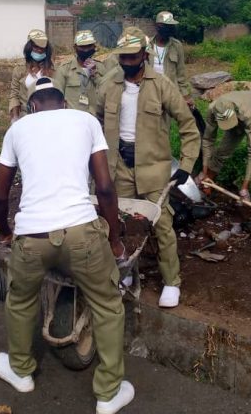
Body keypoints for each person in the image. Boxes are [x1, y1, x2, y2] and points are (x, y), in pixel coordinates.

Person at [0, 77, 134, 414]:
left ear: (33, 106)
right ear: (63, 103)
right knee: (108, 304)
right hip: (82, 233)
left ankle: (21, 371)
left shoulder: (18, 129)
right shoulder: (85, 121)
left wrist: (6, 234)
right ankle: (108, 393)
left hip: (33, 238)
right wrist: (114, 240)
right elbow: (104, 188)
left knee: (21, 300)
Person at [97, 27, 200, 308]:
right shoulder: (108, 84)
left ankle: (171, 282)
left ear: (144, 54)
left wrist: (186, 165)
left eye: (133, 57)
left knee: (161, 225)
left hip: (153, 169)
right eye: (123, 58)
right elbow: (93, 123)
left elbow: (189, 127)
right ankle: (126, 273)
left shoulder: (162, 85)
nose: (128, 63)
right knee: (116, 224)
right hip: (118, 167)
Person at [198, 91, 251, 204]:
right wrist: (204, 172)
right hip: (240, 114)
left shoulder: (247, 114)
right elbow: (208, 140)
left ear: (234, 113)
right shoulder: (212, 110)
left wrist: (244, 188)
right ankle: (207, 182)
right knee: (223, 151)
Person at [53, 29, 114, 115]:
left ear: (94, 47)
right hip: (74, 120)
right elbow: (57, 97)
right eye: (82, 47)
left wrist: (95, 73)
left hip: (95, 118)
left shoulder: (101, 67)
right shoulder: (64, 69)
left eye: (89, 46)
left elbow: (108, 93)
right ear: (75, 48)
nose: (86, 50)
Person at [148, 11, 193, 107]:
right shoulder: (147, 45)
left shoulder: (177, 46)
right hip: (149, 91)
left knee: (165, 121)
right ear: (157, 26)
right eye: (165, 26)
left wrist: (185, 95)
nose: (168, 29)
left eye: (170, 26)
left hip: (169, 92)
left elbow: (181, 74)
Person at [8, 29, 54, 122]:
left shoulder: (54, 70)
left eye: (42, 48)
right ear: (29, 47)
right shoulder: (19, 70)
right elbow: (14, 95)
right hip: (26, 117)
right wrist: (15, 118)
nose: (39, 51)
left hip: (49, 116)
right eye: (35, 47)